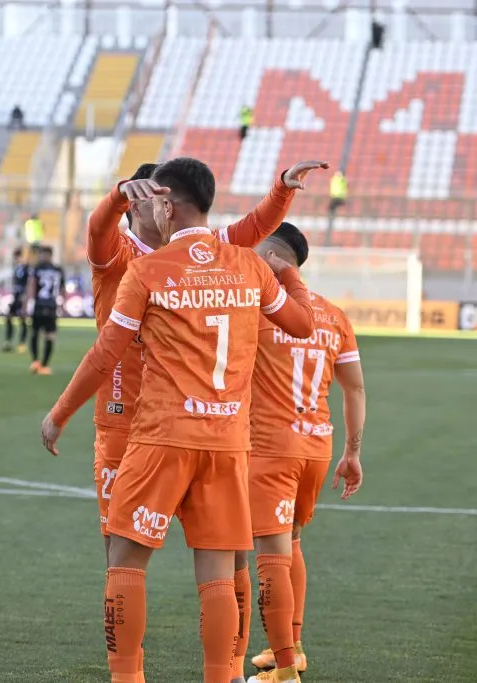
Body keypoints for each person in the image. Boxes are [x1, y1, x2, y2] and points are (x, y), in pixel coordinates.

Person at [41, 157, 317, 683]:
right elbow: (297, 320)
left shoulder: (153, 269)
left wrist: (58, 414)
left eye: (152, 196)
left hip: (160, 432)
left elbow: (104, 353)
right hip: (197, 434)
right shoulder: (220, 261)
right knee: (205, 567)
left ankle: (163, 675)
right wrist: (287, 272)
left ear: (166, 203)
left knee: (134, 561)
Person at [85, 158, 328, 570]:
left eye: (164, 193)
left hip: (189, 419)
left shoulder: (199, 251)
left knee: (226, 548)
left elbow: (252, 229)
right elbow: (96, 230)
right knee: (121, 543)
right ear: (135, 204)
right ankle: (125, 634)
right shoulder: (117, 253)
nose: (160, 201)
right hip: (123, 417)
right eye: (149, 193)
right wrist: (117, 194)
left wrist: (282, 189)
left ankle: (232, 636)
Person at [232, 223, 365, 683]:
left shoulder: (261, 310)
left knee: (269, 554)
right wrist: (353, 452)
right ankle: (291, 646)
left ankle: (285, 674)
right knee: (291, 542)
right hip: (318, 447)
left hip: (271, 447)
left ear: (270, 255)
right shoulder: (334, 316)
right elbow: (355, 389)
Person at [28, 245, 64, 375]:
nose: (42, 257)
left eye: (43, 254)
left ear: (49, 255)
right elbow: (61, 288)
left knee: (45, 335)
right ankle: (39, 363)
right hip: (47, 305)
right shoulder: (57, 269)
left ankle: (41, 363)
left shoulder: (37, 268)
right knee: (37, 333)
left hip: (45, 305)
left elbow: (32, 284)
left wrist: (30, 302)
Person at [4, 247, 30, 352]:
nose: (16, 259)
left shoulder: (26, 268)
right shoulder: (16, 268)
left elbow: (30, 283)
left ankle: (22, 344)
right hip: (16, 296)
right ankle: (8, 342)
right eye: (15, 257)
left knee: (22, 319)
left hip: (22, 297)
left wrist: (26, 297)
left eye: (17, 256)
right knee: (8, 318)